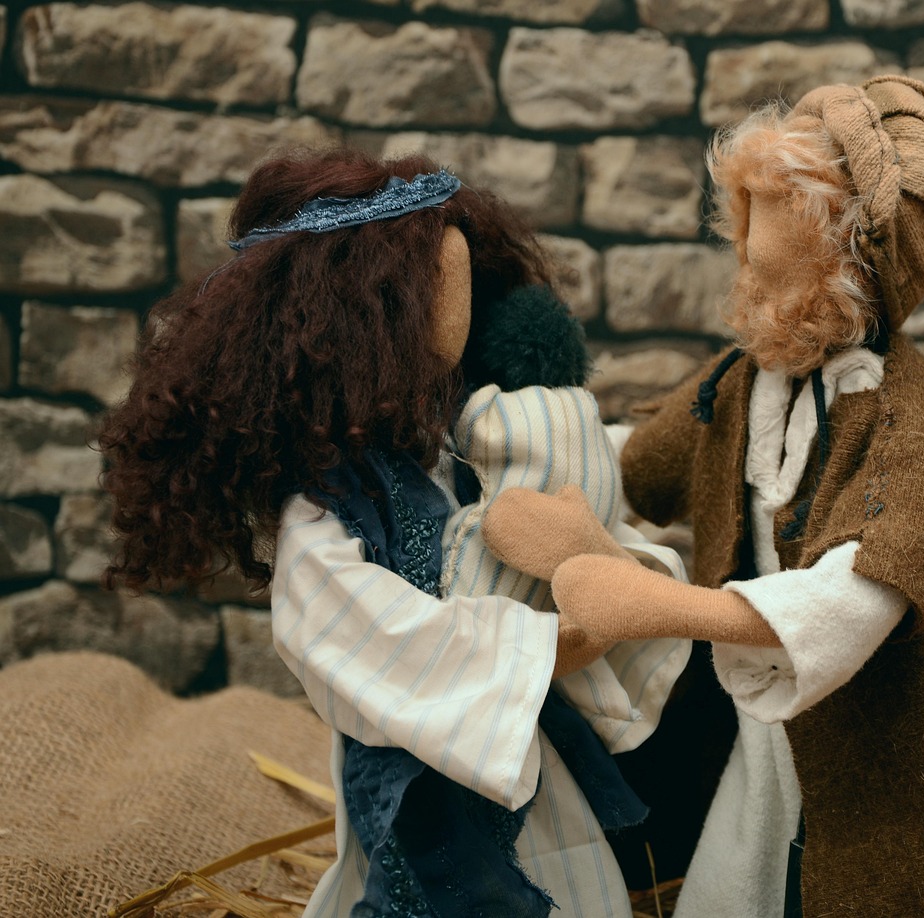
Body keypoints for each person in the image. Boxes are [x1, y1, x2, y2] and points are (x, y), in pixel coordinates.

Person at [482, 77, 924, 917]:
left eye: (773, 262)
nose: (748, 268)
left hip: (879, 749)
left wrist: (658, 603)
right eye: (745, 243)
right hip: (758, 729)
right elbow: (635, 463)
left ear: (852, 266)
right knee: (738, 874)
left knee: (872, 881)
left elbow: (857, 596)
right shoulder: (745, 384)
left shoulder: (913, 423)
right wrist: (518, 449)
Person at [99, 149, 689, 918]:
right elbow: (373, 639)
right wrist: (562, 638)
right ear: (361, 312)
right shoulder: (325, 513)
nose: (459, 315)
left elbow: (589, 488)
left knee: (573, 880)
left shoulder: (468, 436)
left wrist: (608, 538)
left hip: (532, 758)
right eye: (436, 289)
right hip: (431, 784)